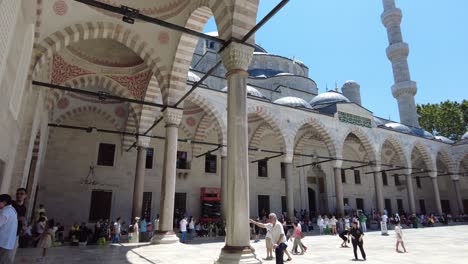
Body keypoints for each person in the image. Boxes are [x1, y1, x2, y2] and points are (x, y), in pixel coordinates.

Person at [0, 194, 18, 264]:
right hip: (7, 243)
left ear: (4, 202)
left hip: (2, 243)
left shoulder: (5, 212)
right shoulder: (12, 210)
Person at [12, 188, 27, 259]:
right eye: (17, 194)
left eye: (21, 194)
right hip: (8, 232)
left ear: (25, 196)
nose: (19, 195)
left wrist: (23, 227)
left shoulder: (24, 208)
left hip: (17, 232)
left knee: (12, 254)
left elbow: (22, 219)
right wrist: (18, 218)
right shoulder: (11, 204)